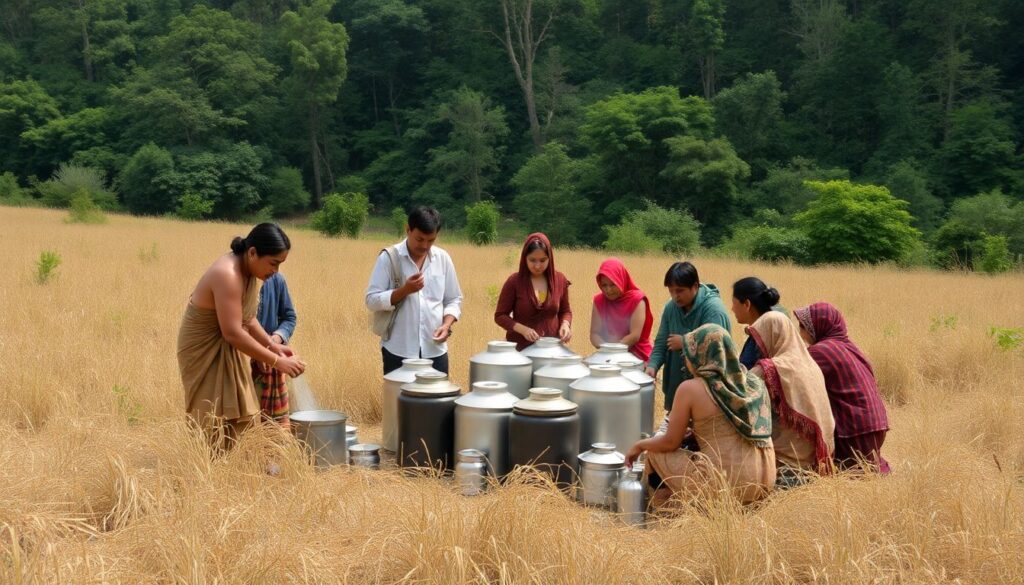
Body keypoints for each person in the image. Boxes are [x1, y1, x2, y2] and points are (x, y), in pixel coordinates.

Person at [177, 223, 306, 450]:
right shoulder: (227, 274)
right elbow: (233, 333)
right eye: (273, 263)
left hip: (227, 346)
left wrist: (273, 345)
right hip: (203, 351)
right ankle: (205, 466)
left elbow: (247, 317)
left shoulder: (249, 272)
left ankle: (233, 464)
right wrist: (277, 361)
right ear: (253, 252)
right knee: (211, 417)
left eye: (280, 264)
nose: (276, 271)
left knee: (240, 415)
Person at [626, 324, 775, 506]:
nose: (686, 361)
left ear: (701, 355)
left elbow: (670, 442)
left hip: (729, 487)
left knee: (655, 452)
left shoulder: (690, 389)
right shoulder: (754, 383)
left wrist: (639, 445)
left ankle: (667, 510)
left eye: (688, 354)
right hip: (766, 481)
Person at [795, 302, 891, 474]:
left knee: (851, 473)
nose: (800, 333)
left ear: (818, 327)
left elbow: (794, 375)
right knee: (866, 468)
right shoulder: (849, 346)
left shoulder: (821, 351)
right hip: (876, 424)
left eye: (803, 326)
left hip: (856, 428)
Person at [366, 206, 463, 374]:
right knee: (399, 393)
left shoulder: (443, 258)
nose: (425, 246)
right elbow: (371, 300)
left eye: (431, 240)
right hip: (398, 350)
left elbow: (454, 299)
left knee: (438, 392)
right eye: (419, 239)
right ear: (408, 230)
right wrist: (405, 290)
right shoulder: (389, 258)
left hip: (435, 350)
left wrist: (446, 325)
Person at [746, 311, 835, 480]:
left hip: (786, 466)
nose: (757, 347)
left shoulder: (770, 369)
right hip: (817, 464)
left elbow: (739, 393)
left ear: (771, 337)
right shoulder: (811, 364)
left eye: (759, 340)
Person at [646, 262, 731, 413]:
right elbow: (661, 343)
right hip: (676, 386)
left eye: (680, 291)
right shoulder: (671, 308)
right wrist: (652, 367)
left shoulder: (713, 310)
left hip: (707, 392)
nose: (675, 296)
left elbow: (717, 352)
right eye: (671, 291)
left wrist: (685, 343)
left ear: (695, 286)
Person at [494, 233, 572, 350]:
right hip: (520, 351)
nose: (537, 266)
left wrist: (565, 324)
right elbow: (500, 316)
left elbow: (565, 311)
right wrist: (523, 330)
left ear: (550, 258)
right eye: (532, 260)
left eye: (542, 260)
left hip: (551, 350)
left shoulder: (560, 280)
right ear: (524, 258)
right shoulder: (514, 281)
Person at [251, 272, 297, 429]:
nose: (275, 269)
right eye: (273, 262)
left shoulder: (277, 280)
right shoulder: (239, 282)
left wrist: (275, 339)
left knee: (275, 427)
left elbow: (289, 318)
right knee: (245, 421)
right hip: (243, 363)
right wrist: (261, 351)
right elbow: (237, 328)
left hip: (272, 364)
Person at [589, 258, 654, 362]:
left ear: (621, 280)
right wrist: (605, 349)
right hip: (607, 356)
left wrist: (613, 350)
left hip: (638, 356)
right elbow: (594, 334)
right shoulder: (598, 301)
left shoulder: (637, 300)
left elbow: (634, 336)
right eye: (604, 285)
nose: (608, 290)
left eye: (613, 285)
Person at [731, 277, 787, 369]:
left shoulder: (759, 338)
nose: (732, 309)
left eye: (734, 303)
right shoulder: (769, 329)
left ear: (747, 304)